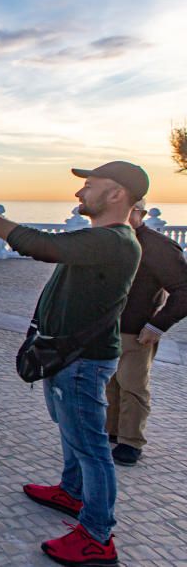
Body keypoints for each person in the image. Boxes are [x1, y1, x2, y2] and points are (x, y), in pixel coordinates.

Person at [0, 160, 148, 567]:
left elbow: (40, 246)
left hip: (82, 360)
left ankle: (98, 536)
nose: (79, 193)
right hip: (69, 356)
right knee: (73, 430)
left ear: (116, 193)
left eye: (89, 185)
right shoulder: (108, 238)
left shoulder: (116, 241)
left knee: (91, 445)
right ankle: (71, 491)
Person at [105, 199, 187, 466]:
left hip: (137, 331)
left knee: (133, 386)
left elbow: (184, 290)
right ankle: (112, 432)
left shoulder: (159, 247)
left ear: (140, 213)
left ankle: (131, 443)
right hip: (105, 329)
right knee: (110, 384)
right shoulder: (110, 241)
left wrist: (157, 325)